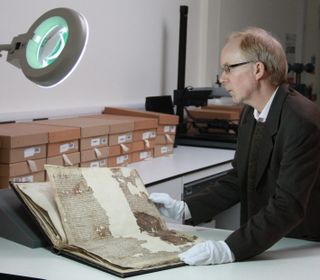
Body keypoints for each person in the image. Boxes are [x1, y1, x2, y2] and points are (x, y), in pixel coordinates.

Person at [149, 27, 320, 266]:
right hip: (265, 243)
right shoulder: (251, 112)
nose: (222, 77)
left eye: (229, 68)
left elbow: (287, 206)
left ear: (258, 69)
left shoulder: (302, 120)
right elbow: (239, 178)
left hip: (301, 248)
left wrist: (229, 249)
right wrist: (186, 209)